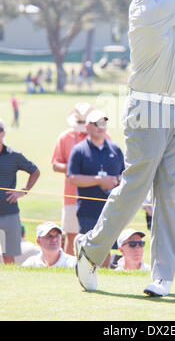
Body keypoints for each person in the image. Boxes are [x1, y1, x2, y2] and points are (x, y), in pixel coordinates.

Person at [74, 0, 175, 297]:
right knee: (136, 188)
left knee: (169, 193)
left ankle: (163, 275)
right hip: (147, 110)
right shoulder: (149, 7)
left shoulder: (166, 6)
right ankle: (91, 250)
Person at [68, 109, 124, 267]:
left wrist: (114, 180)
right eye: (97, 123)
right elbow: (73, 178)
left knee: (108, 248)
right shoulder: (79, 150)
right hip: (88, 210)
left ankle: (104, 277)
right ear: (87, 126)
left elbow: (125, 175)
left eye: (103, 123)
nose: (101, 126)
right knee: (89, 249)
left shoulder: (115, 149)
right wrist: (99, 180)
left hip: (112, 210)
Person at [51, 102, 95, 255]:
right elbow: (56, 164)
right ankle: (69, 270)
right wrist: (75, 169)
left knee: (96, 236)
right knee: (71, 235)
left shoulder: (103, 136)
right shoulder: (65, 137)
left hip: (96, 196)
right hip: (72, 196)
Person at [0, 117, 40, 264]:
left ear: (3, 133)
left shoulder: (14, 156)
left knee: (8, 256)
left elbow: (35, 171)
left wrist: (23, 191)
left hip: (9, 213)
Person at [143, 166, 175, 247]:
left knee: (174, 245)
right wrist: (146, 207)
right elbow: (142, 188)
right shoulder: (151, 164)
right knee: (158, 244)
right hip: (156, 213)